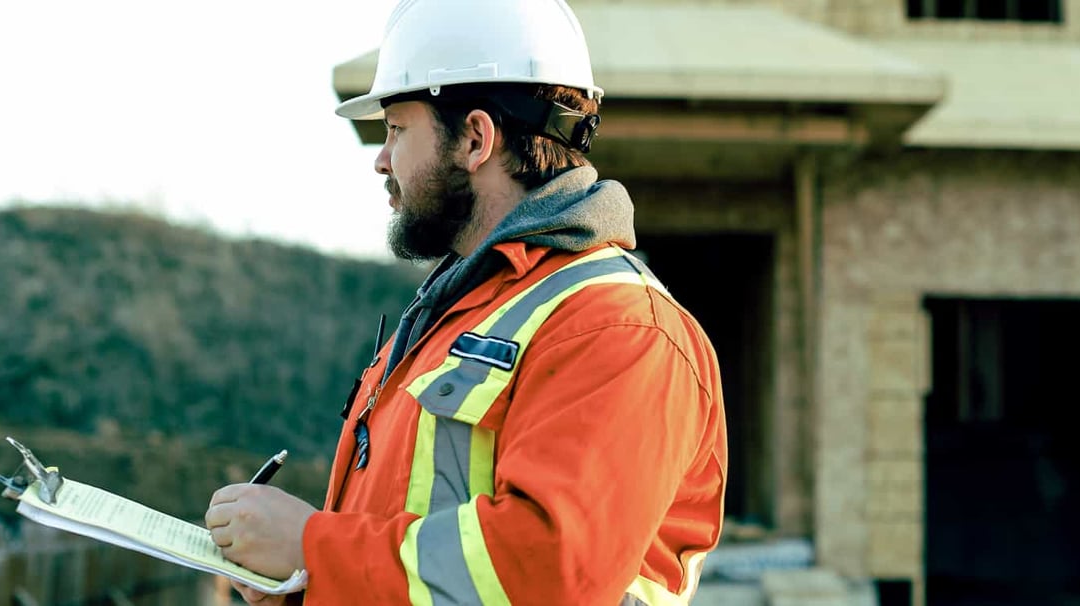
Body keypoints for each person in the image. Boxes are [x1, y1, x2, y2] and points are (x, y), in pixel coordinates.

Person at [204, 0, 728, 603]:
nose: (381, 158)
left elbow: (549, 572)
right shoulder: (454, 317)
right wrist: (307, 587)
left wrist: (313, 548)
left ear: (475, 138)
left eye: (397, 130)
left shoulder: (617, 327)